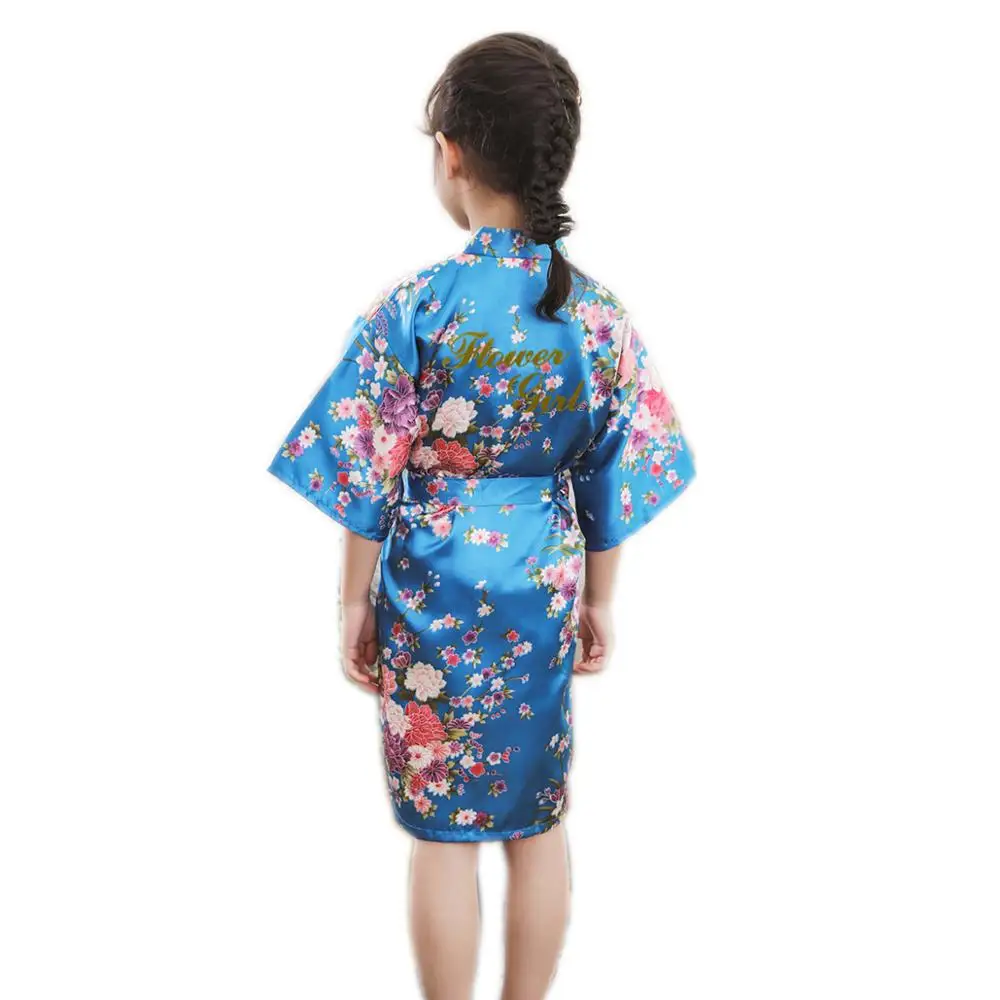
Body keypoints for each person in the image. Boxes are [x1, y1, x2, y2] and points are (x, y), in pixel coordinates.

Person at [266, 31, 696, 1000]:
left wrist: (352, 604)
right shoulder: (595, 315)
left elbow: (362, 470)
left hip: (432, 575)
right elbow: (615, 480)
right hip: (541, 574)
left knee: (442, 829)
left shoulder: (416, 306)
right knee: (538, 818)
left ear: (450, 152)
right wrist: (599, 599)